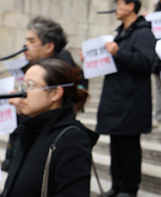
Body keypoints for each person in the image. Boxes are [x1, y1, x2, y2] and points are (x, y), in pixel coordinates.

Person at [2, 58, 98, 197]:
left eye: (30, 85)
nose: (21, 94)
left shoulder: (71, 139)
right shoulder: (31, 130)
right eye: (22, 85)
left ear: (55, 93)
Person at [2, 16, 87, 172]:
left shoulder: (61, 73)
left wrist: (22, 107)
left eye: (32, 41)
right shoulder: (36, 65)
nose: (25, 46)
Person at [96, 0, 156, 197]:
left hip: (132, 100)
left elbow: (146, 63)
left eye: (119, 4)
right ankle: (117, 186)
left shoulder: (143, 33)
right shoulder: (120, 34)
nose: (116, 9)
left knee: (129, 147)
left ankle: (129, 189)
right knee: (116, 145)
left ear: (131, 6)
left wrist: (117, 52)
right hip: (116, 98)